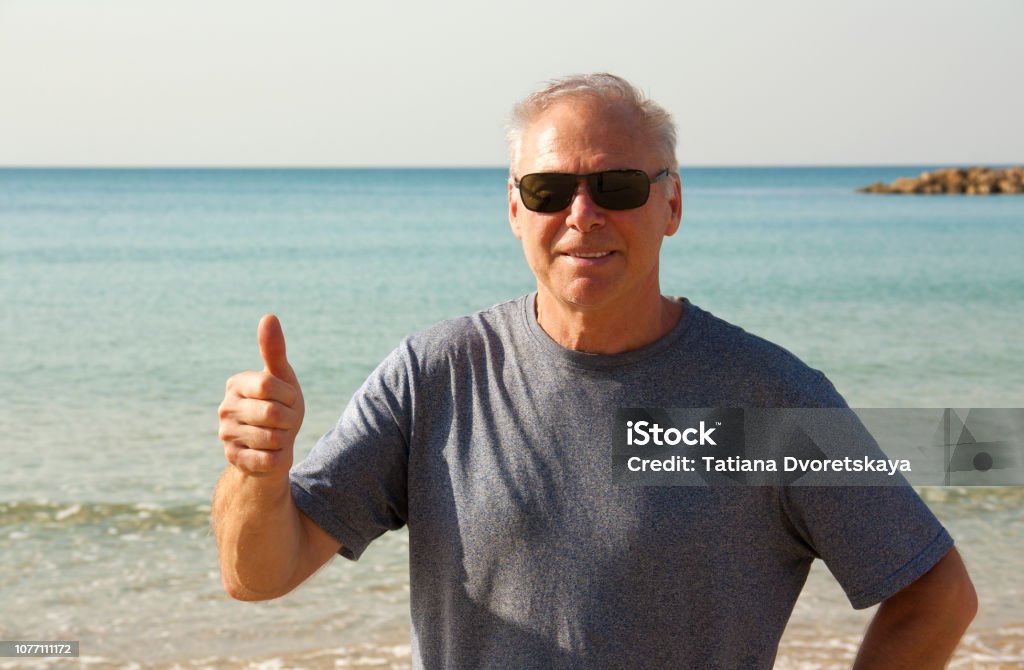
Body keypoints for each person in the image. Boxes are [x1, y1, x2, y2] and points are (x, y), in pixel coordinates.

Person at [214, 73, 977, 668]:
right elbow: (257, 576)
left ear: (671, 203)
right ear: (514, 210)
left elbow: (935, 591)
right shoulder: (434, 376)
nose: (583, 214)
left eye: (617, 186)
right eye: (549, 191)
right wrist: (259, 472)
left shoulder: (768, 397)